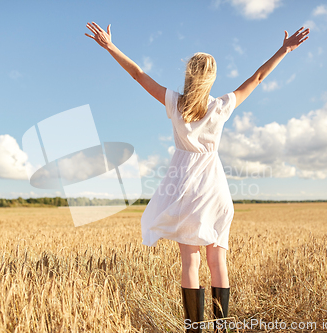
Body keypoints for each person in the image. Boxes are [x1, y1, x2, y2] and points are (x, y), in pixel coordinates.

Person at [85, 21, 309, 333]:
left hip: (183, 188)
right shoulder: (221, 106)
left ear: (188, 74)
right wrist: (284, 50)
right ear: (212, 77)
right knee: (218, 262)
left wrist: (110, 47)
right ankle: (222, 328)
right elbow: (257, 78)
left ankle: (194, 329)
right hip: (213, 187)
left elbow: (137, 74)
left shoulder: (174, 103)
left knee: (189, 262)